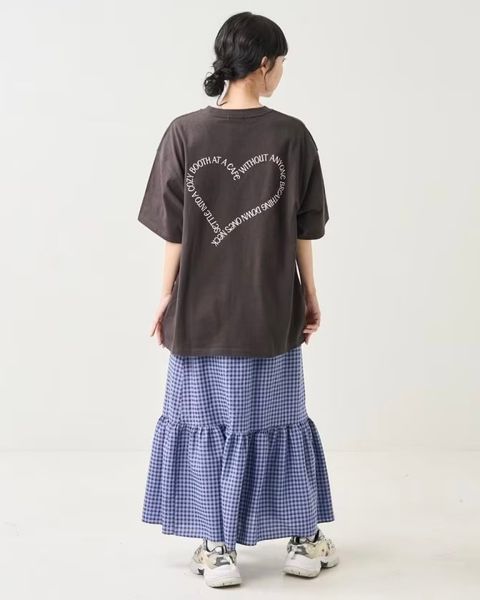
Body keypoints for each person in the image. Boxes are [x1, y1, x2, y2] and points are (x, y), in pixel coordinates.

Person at [137, 11, 339, 588]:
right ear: (265, 64)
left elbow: (174, 231)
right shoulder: (292, 136)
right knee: (279, 420)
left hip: (200, 311)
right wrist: (310, 294)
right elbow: (304, 230)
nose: (282, 75)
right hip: (269, 308)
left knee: (205, 422)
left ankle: (217, 547)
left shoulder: (185, 132)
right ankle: (302, 540)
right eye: (282, 64)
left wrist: (165, 296)